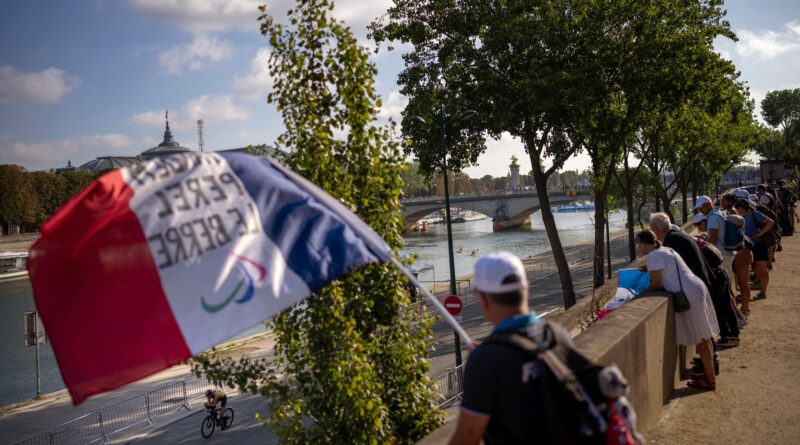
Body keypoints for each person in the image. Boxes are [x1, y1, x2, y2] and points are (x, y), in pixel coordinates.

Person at [449, 252, 540, 445]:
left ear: (484, 299)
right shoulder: (556, 334)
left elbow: (467, 437)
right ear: (527, 289)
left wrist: (485, 358)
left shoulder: (486, 362)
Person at [635, 230, 719, 390]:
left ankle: (710, 380)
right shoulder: (666, 249)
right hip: (695, 287)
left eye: (639, 244)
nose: (639, 248)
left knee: (702, 339)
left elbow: (658, 284)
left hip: (688, 294)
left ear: (644, 243)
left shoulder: (653, 256)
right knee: (704, 337)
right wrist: (649, 269)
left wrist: (642, 290)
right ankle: (710, 374)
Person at [649, 213, 711, 290]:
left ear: (655, 230)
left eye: (651, 229)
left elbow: (671, 273)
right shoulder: (676, 236)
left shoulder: (672, 241)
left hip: (694, 288)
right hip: (700, 283)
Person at [733, 199, 774, 309]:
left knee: (761, 268)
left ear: (741, 207)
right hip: (746, 247)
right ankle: (746, 293)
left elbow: (770, 222)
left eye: (737, 207)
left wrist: (759, 234)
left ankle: (763, 292)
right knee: (752, 270)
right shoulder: (737, 217)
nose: (735, 209)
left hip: (758, 245)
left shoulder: (755, 214)